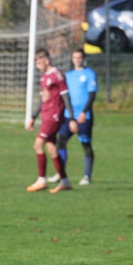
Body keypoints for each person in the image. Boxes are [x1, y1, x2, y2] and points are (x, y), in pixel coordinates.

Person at [26, 49, 76, 193]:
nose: (37, 66)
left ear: (47, 61)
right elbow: (42, 100)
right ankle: (65, 181)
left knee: (38, 144)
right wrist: (33, 117)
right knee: (51, 148)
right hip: (46, 116)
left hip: (54, 116)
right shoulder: (43, 77)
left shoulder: (57, 75)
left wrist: (72, 118)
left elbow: (66, 97)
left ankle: (42, 180)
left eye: (39, 63)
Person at [57, 48, 97, 185]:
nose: (77, 60)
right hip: (69, 115)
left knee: (85, 143)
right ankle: (60, 173)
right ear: (72, 59)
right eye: (75, 57)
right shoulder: (68, 75)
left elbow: (92, 95)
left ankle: (87, 176)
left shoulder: (89, 74)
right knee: (61, 140)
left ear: (83, 58)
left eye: (79, 57)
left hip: (84, 116)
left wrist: (84, 112)